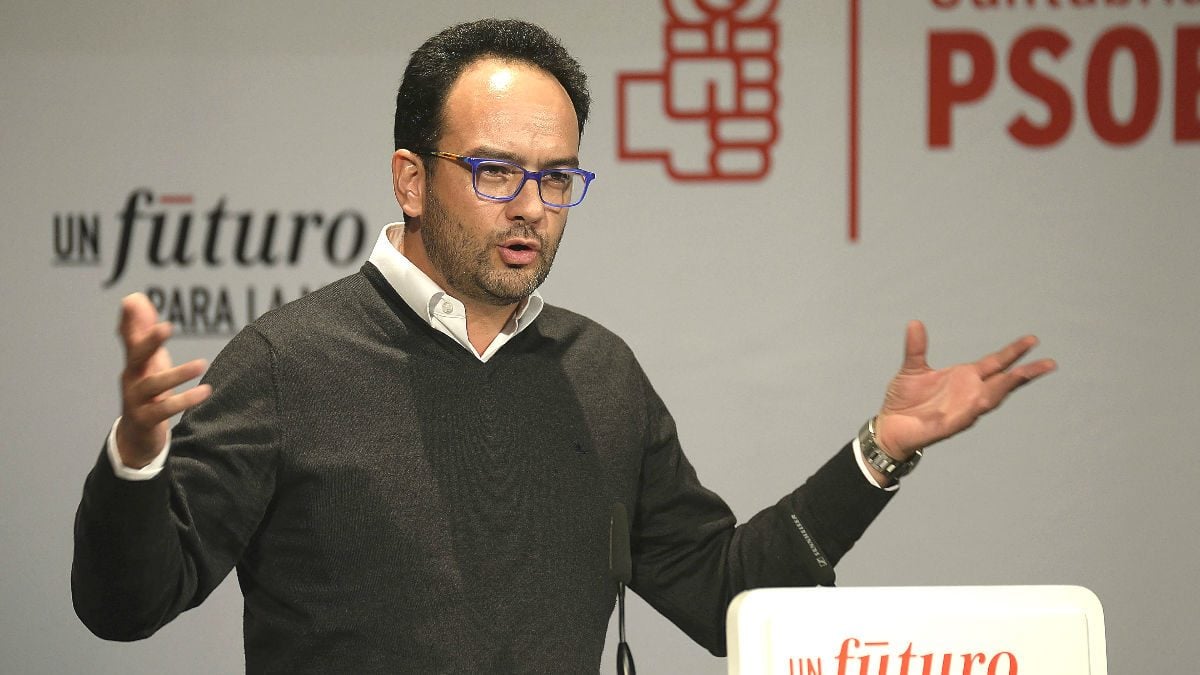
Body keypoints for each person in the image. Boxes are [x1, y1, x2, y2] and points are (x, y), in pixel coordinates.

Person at [71, 18, 1056, 674]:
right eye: (495, 172)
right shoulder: (289, 361)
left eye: (557, 178)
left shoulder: (600, 372)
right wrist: (137, 459)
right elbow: (123, 606)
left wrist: (879, 451)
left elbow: (725, 600)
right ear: (410, 180)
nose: (532, 210)